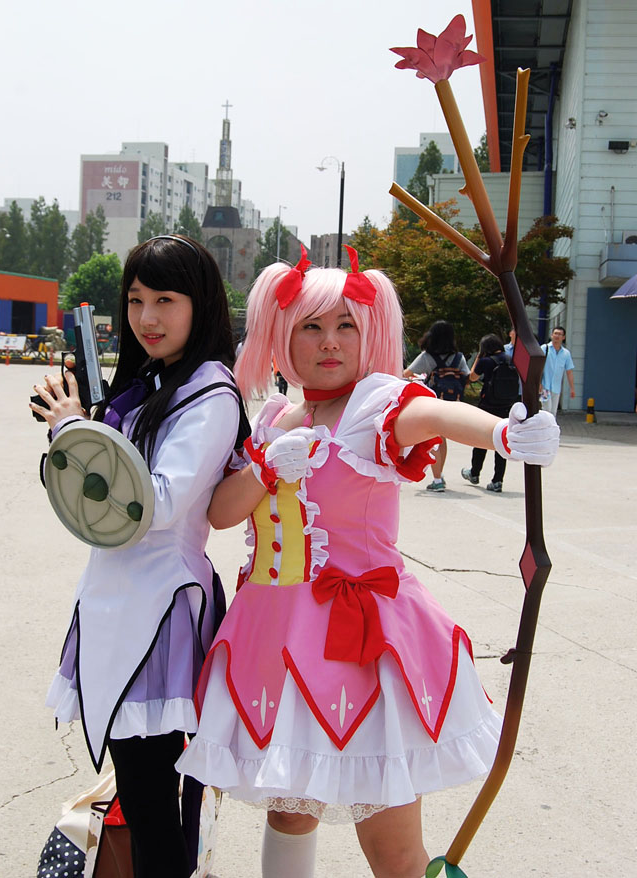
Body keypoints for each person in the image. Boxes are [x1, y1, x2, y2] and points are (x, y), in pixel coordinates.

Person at [176, 248, 559, 878]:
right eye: (311, 326)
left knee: (392, 847)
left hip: (358, 647)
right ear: (283, 335)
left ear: (368, 333)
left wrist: (501, 434)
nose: (330, 342)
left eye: (346, 325)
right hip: (272, 645)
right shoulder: (274, 418)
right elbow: (221, 513)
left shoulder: (375, 404)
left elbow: (433, 414)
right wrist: (267, 467)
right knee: (289, 815)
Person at [30, 235, 246, 878]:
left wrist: (73, 430)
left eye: (165, 300)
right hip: (118, 599)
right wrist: (71, 435)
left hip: (159, 607)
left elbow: (156, 503)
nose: (146, 317)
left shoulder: (211, 391)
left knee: (151, 798)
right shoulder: (151, 381)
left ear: (200, 304)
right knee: (144, 794)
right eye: (135, 300)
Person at [403, 320, 469, 492]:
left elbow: (406, 373)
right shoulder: (459, 357)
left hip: (434, 402)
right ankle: (439, 474)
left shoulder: (427, 357)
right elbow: (467, 377)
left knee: (434, 440)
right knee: (442, 438)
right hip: (453, 402)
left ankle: (437, 479)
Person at [461, 333, 521, 493]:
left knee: (480, 438)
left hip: (488, 405)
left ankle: (474, 473)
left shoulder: (486, 361)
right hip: (507, 405)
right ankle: (497, 480)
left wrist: (478, 358)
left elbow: (472, 377)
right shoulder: (511, 360)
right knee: (502, 441)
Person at [540, 325, 575, 416]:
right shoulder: (544, 348)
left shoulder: (566, 353)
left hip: (556, 388)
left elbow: (569, 371)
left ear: (563, 337)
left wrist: (572, 388)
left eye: (559, 334)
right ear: (552, 335)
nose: (557, 336)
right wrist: (538, 383)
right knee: (546, 411)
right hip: (545, 386)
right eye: (555, 333)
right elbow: (537, 367)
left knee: (553, 412)